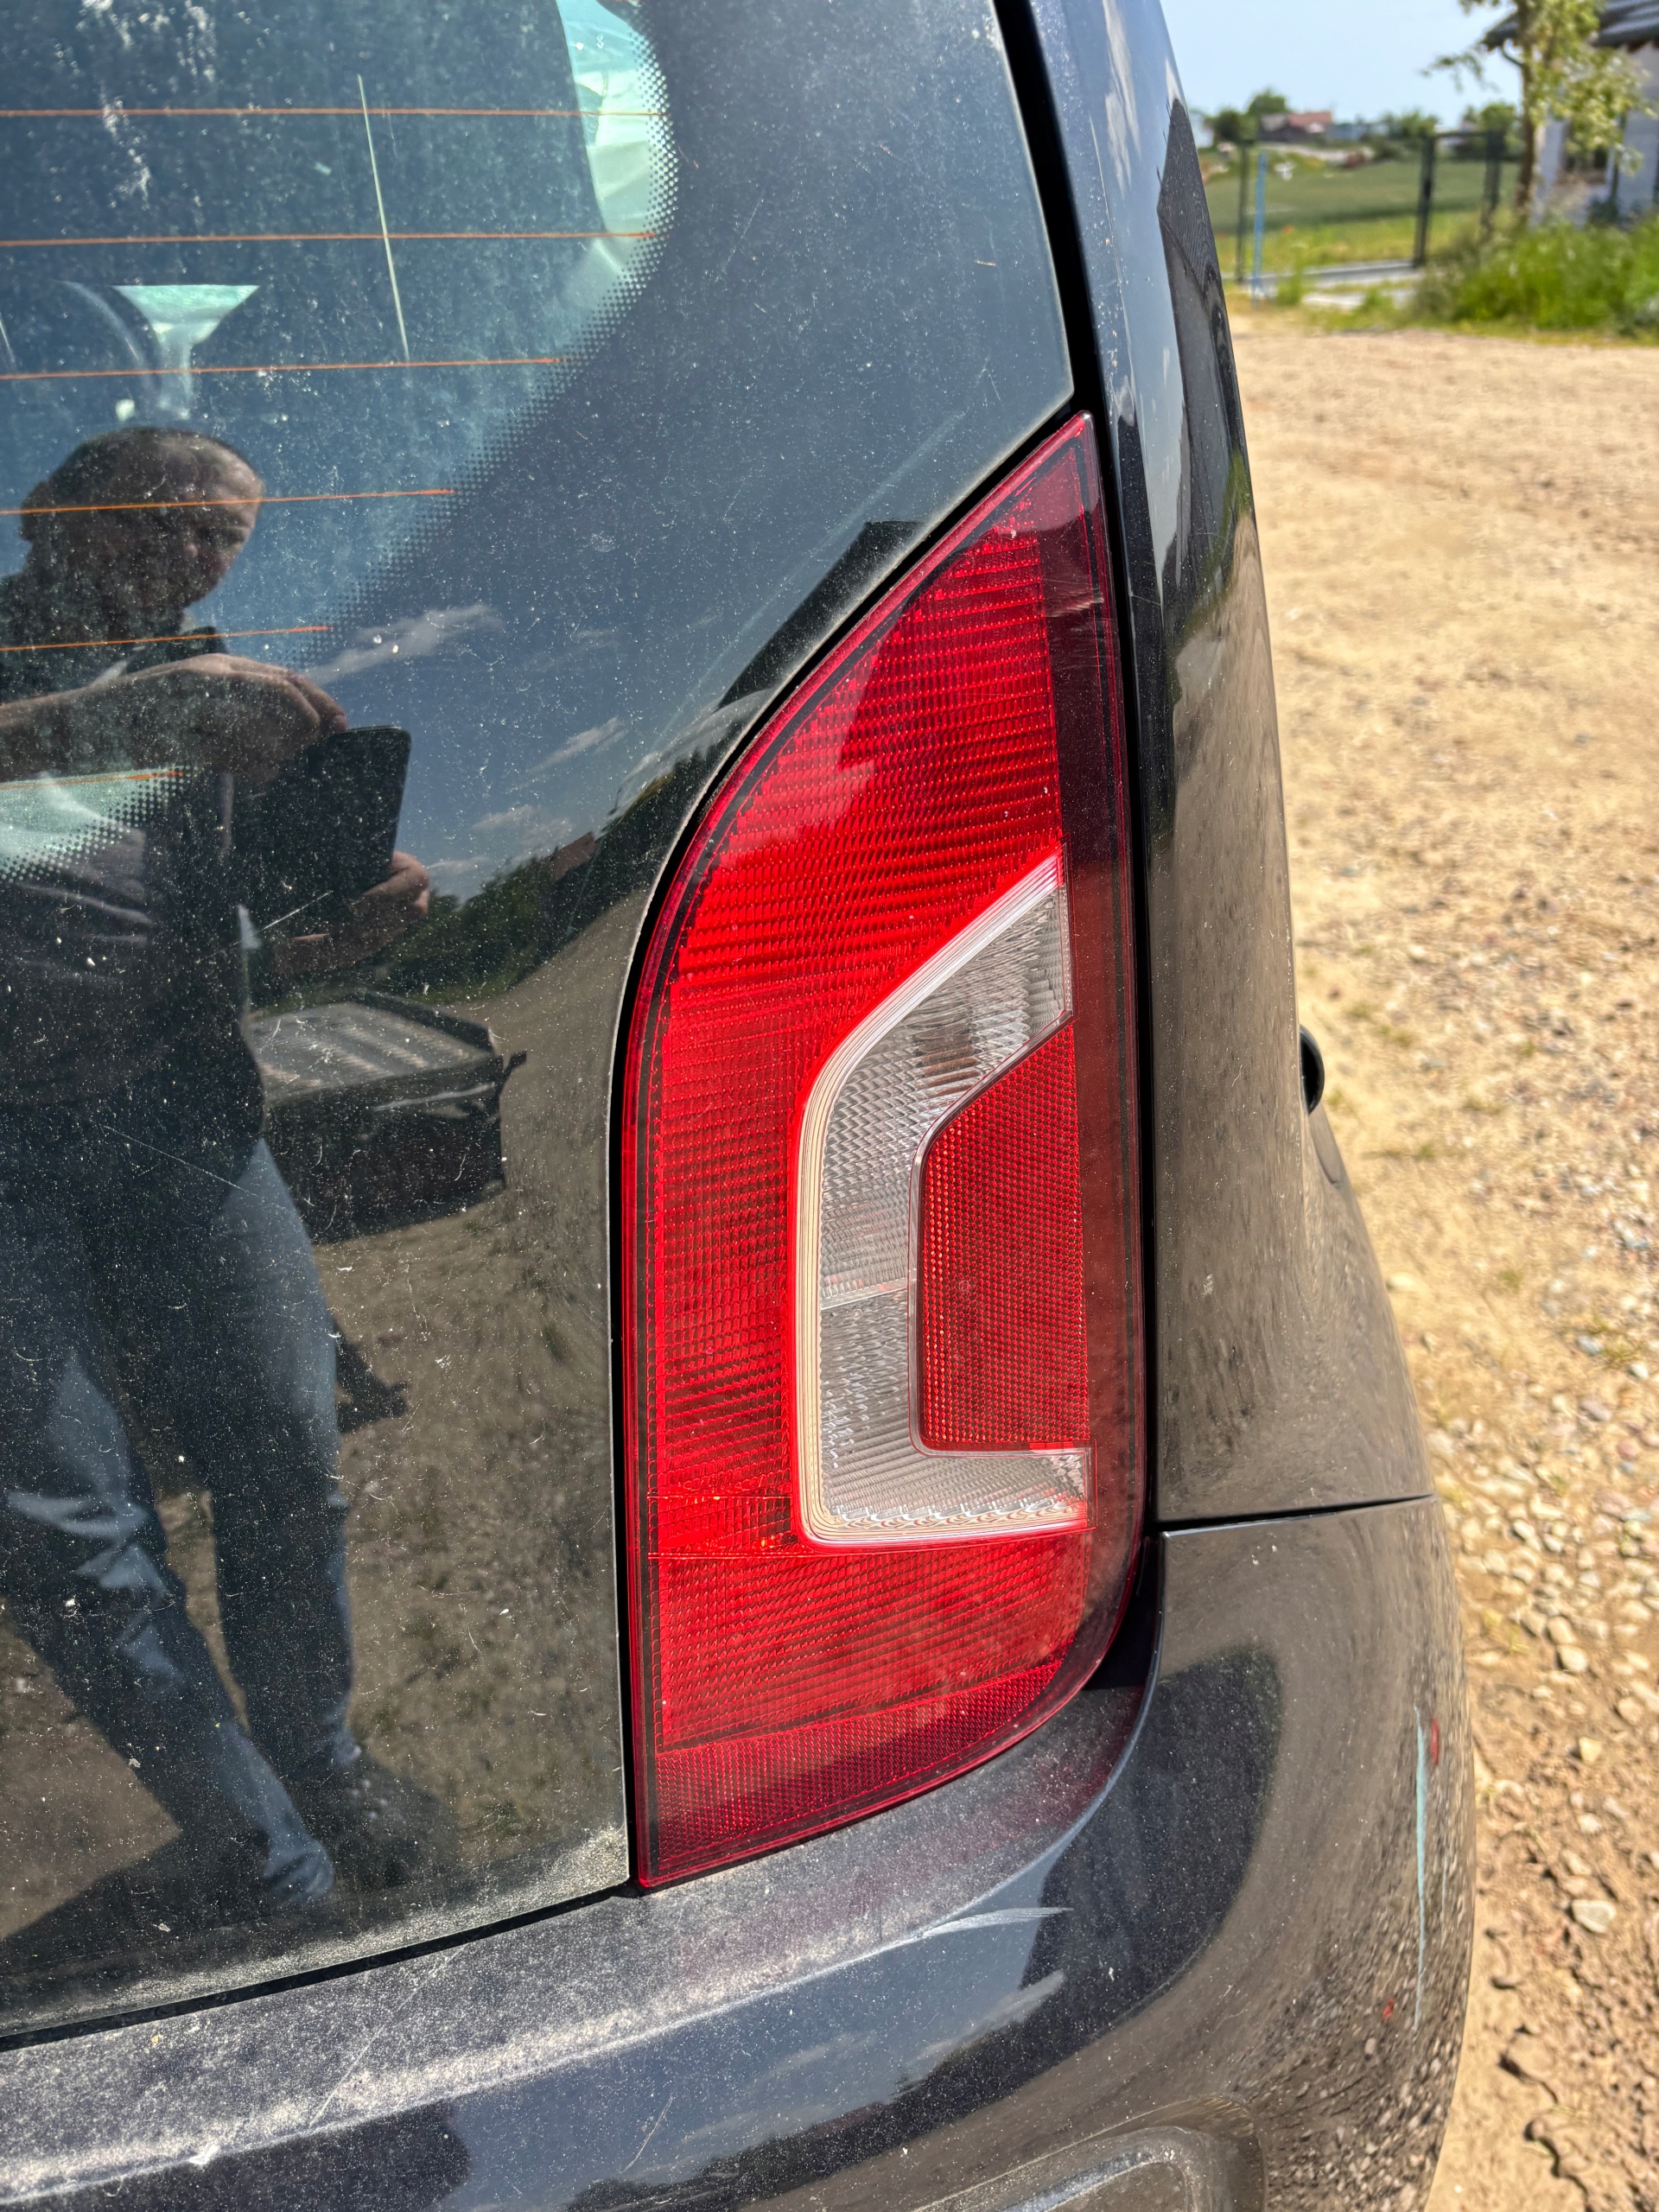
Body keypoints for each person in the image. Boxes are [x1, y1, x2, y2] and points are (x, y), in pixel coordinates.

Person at [0, 425, 442, 1917]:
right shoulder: (152, 691)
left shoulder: (215, 695)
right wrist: (126, 718)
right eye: (164, 519)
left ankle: (320, 1760)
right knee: (70, 1532)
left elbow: (222, 932)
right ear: (54, 514)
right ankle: (274, 1865)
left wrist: (328, 937)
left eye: (220, 540)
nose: (192, 557)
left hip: (180, 1105)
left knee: (286, 1447)